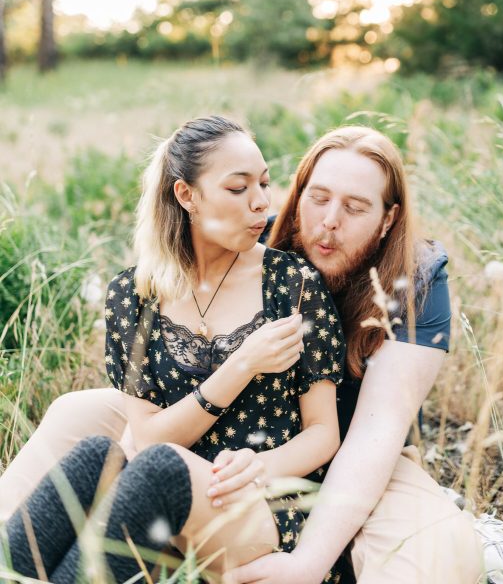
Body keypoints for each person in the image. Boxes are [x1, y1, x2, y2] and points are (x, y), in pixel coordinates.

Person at [0, 123, 484, 583]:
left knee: (438, 550)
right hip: (232, 422)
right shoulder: (254, 232)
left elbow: (373, 435)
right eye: (317, 198)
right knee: (80, 419)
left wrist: (307, 561)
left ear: (388, 218)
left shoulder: (414, 278)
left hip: (350, 448)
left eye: (356, 207)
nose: (329, 221)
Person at [3, 116, 345, 581]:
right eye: (237, 188)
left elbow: (324, 432)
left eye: (264, 184)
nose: (262, 203)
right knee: (96, 457)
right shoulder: (135, 294)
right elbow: (147, 437)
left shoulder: (293, 285)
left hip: (257, 502)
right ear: (187, 196)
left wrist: (259, 467)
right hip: (155, 491)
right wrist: (241, 363)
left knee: (158, 469)